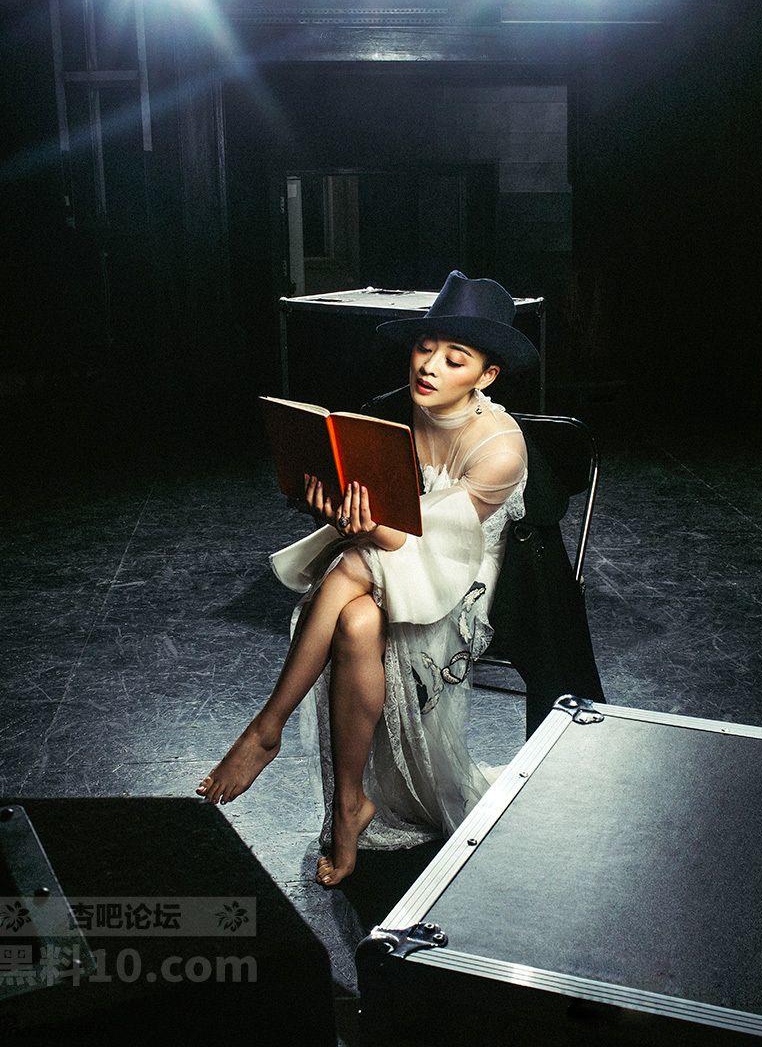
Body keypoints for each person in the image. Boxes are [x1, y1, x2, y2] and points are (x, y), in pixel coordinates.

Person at [195, 271, 539, 886]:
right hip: (389, 552)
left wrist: (363, 527)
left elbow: (434, 546)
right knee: (355, 620)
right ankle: (350, 803)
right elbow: (369, 513)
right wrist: (327, 502)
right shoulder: (390, 412)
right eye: (424, 348)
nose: (429, 366)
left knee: (352, 565)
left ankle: (267, 726)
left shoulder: (501, 449)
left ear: (486, 377)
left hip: (460, 575)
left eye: (455, 358)